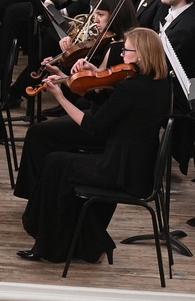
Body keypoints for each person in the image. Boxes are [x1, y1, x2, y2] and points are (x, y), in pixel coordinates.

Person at [18, 26, 169, 263]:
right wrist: (74, 81)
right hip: (138, 167)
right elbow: (108, 104)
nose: (122, 55)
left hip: (119, 170)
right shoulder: (157, 84)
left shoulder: (132, 87)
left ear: (140, 54)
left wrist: (60, 97)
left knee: (54, 163)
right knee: (61, 164)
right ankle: (84, 244)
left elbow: (94, 126)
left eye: (126, 51)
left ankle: (50, 244)